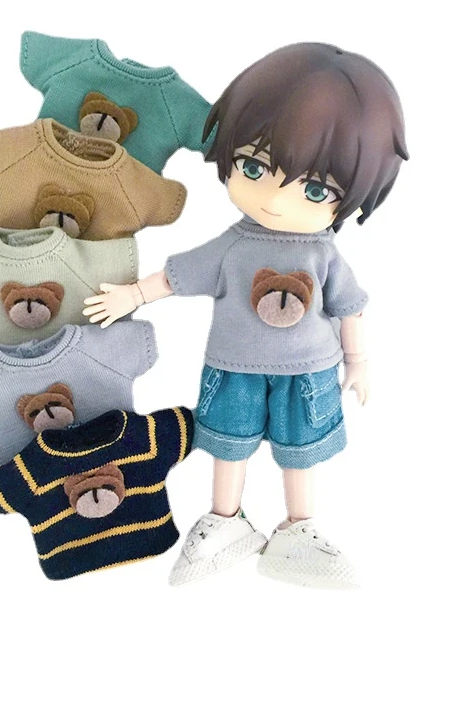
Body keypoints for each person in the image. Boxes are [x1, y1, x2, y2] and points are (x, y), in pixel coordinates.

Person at [83, 43, 408, 588]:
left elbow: (349, 305)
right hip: (233, 368)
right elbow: (178, 276)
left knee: (299, 453)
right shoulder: (233, 245)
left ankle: (299, 528)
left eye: (314, 188)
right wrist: (133, 296)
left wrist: (358, 360)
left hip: (308, 372)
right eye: (254, 167)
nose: (275, 199)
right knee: (227, 446)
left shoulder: (323, 253)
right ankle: (224, 519)